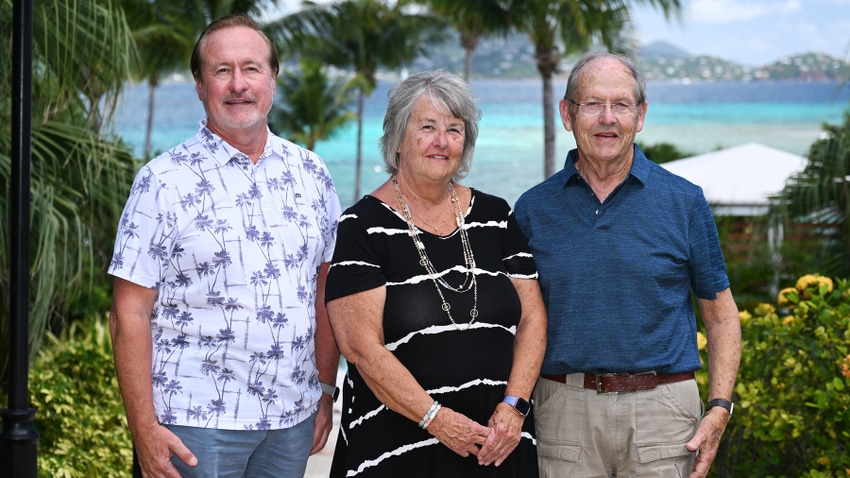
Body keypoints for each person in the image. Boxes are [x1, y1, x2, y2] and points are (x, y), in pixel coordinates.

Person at [107, 13, 342, 478]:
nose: (239, 84)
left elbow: (324, 289)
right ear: (199, 85)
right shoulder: (161, 181)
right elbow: (127, 313)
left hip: (290, 420)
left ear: (273, 78)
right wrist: (143, 428)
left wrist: (325, 389)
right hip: (193, 422)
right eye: (222, 70)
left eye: (252, 68)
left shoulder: (311, 173)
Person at [514, 51, 742, 478]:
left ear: (640, 116)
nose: (607, 118)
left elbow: (721, 313)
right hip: (564, 410)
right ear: (567, 113)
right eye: (592, 104)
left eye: (621, 105)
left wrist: (719, 407)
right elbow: (518, 320)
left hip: (664, 412)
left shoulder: (684, 202)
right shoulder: (532, 209)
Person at [323, 69, 547, 477]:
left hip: (498, 443)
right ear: (397, 139)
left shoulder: (497, 217)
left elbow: (533, 317)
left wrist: (515, 407)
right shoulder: (362, 226)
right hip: (400, 446)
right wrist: (436, 419)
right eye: (427, 127)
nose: (442, 142)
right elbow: (361, 349)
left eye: (455, 129)